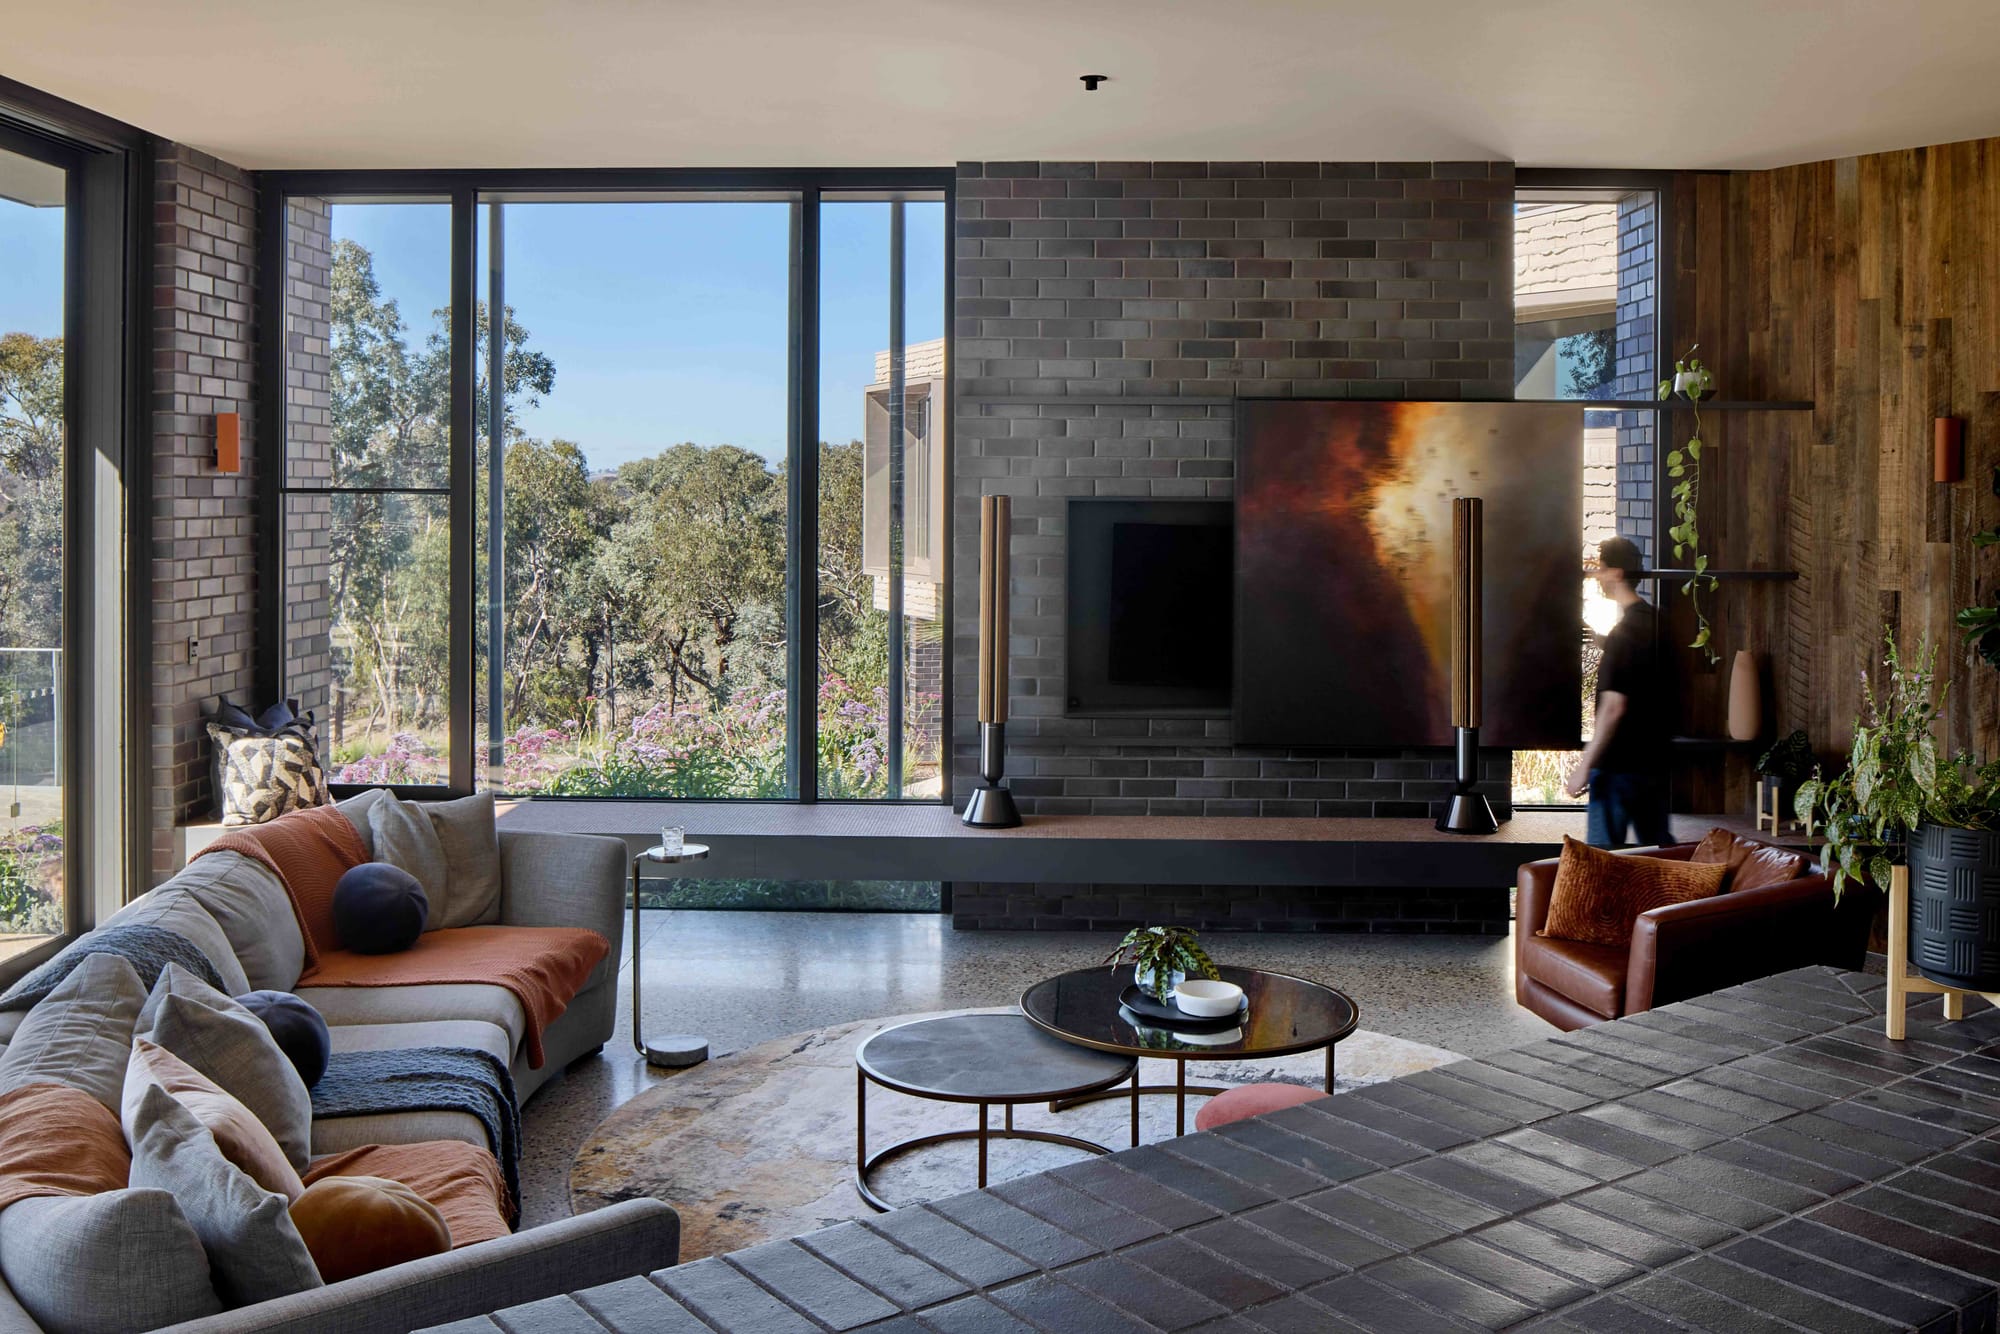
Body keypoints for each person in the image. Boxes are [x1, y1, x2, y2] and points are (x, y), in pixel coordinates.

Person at [1565, 537, 1675, 847]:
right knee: (1657, 857)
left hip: (1617, 768)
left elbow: (1615, 706)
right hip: (1652, 763)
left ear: (1615, 573)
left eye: (1600, 570)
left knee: (1600, 864)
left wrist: (1584, 767)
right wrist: (1602, 641)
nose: (1597, 576)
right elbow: (1643, 674)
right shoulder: (1657, 622)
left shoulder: (1623, 635)